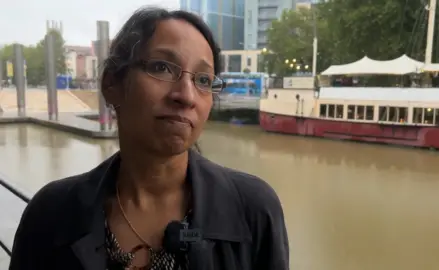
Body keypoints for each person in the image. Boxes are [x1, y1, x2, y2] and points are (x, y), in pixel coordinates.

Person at [9, 6, 289, 270]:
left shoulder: (253, 210)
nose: (186, 96)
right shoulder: (50, 215)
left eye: (203, 80)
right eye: (162, 68)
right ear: (112, 83)